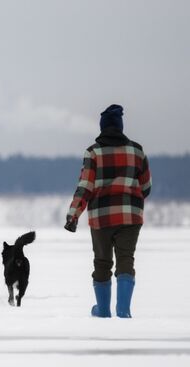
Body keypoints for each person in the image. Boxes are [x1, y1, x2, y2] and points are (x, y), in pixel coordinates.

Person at [64, 104, 151, 318]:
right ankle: (123, 311)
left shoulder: (93, 153)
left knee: (102, 262)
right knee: (125, 259)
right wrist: (129, 197)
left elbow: (85, 187)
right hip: (131, 216)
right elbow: (146, 187)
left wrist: (73, 215)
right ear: (120, 127)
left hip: (101, 217)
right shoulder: (137, 151)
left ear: (102, 128)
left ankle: (102, 311)